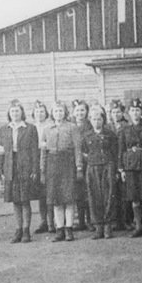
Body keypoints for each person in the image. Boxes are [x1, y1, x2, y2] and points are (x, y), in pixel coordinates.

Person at [0, 100, 39, 243]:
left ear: (22, 113)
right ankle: (18, 230)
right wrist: (1, 168)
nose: (15, 114)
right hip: (10, 166)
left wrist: (34, 169)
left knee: (25, 199)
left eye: (17, 111)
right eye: (12, 111)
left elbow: (34, 150)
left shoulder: (30, 128)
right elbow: (1, 151)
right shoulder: (4, 129)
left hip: (25, 165)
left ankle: (27, 230)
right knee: (15, 200)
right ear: (9, 114)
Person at [42, 101, 83, 242]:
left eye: (61, 111)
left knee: (69, 198)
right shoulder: (47, 129)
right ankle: (59, 230)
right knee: (56, 200)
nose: (58, 114)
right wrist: (43, 169)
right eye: (56, 111)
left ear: (65, 113)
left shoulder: (72, 128)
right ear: (52, 113)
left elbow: (78, 148)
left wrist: (79, 167)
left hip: (68, 163)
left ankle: (69, 229)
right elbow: (43, 151)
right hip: (52, 164)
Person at [118, 98, 142, 238]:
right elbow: (121, 150)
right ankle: (138, 226)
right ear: (128, 113)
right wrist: (121, 168)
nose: (135, 113)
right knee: (134, 197)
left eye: (137, 110)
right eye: (132, 110)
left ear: (141, 112)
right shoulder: (124, 129)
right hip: (130, 165)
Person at [81, 105, 118, 239]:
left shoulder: (110, 134)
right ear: (90, 120)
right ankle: (98, 226)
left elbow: (115, 152)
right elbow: (84, 152)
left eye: (99, 119)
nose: (97, 121)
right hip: (93, 167)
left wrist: (115, 169)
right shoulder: (86, 136)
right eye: (94, 119)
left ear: (103, 120)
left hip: (108, 166)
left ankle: (108, 226)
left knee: (109, 194)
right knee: (94, 196)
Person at [106, 100, 131, 231]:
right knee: (111, 192)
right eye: (113, 112)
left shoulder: (127, 126)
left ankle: (126, 220)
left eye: (118, 112)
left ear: (122, 113)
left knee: (124, 193)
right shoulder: (106, 127)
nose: (116, 114)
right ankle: (114, 220)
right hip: (110, 162)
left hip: (124, 161)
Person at [32, 101, 55, 234]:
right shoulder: (31, 127)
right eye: (37, 112)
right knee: (41, 194)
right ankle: (43, 221)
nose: (39, 114)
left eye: (42, 111)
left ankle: (52, 221)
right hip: (36, 159)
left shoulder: (50, 126)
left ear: (46, 113)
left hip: (48, 158)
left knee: (50, 192)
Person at [72, 100, 94, 231]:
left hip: (88, 162)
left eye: (82, 110)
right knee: (78, 192)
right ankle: (80, 221)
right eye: (77, 110)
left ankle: (90, 220)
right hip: (73, 162)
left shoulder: (91, 125)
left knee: (88, 191)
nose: (80, 113)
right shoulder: (70, 126)